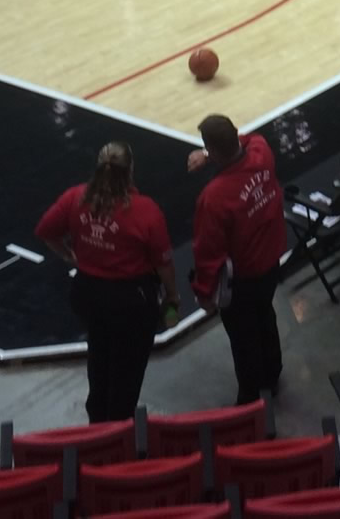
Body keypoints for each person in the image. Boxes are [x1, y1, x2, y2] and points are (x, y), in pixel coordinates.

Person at [37, 141, 178, 422]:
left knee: (99, 355)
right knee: (128, 369)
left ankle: (97, 425)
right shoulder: (145, 210)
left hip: (89, 294)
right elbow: (163, 263)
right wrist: (173, 297)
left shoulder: (75, 198)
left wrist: (69, 255)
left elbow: (45, 231)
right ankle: (119, 434)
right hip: (131, 302)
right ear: (130, 171)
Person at [188, 116, 286, 404]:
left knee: (243, 337)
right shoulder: (262, 152)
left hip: (243, 278)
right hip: (272, 260)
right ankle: (273, 373)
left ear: (214, 151)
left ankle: (252, 395)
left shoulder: (214, 197)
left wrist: (204, 293)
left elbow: (208, 253)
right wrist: (209, 154)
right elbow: (250, 137)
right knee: (265, 315)